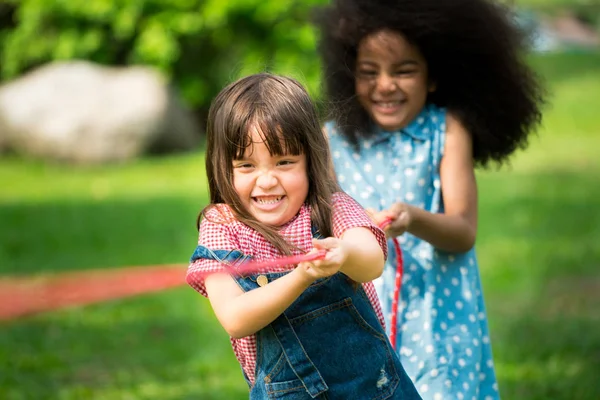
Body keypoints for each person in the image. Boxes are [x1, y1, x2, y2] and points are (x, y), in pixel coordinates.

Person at [315, 0, 545, 398]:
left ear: (433, 76)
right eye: (369, 73)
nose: (385, 85)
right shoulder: (332, 140)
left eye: (404, 70)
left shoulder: (448, 130)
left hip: (438, 314)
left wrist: (413, 219)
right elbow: (317, 223)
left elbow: (463, 231)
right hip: (364, 308)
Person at [186, 73, 422, 399]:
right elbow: (235, 318)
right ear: (222, 167)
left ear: (310, 162)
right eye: (246, 166)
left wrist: (345, 254)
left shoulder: (330, 208)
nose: (266, 181)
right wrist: (301, 277)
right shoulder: (223, 227)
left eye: (284, 162)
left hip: (376, 388)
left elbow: (372, 262)